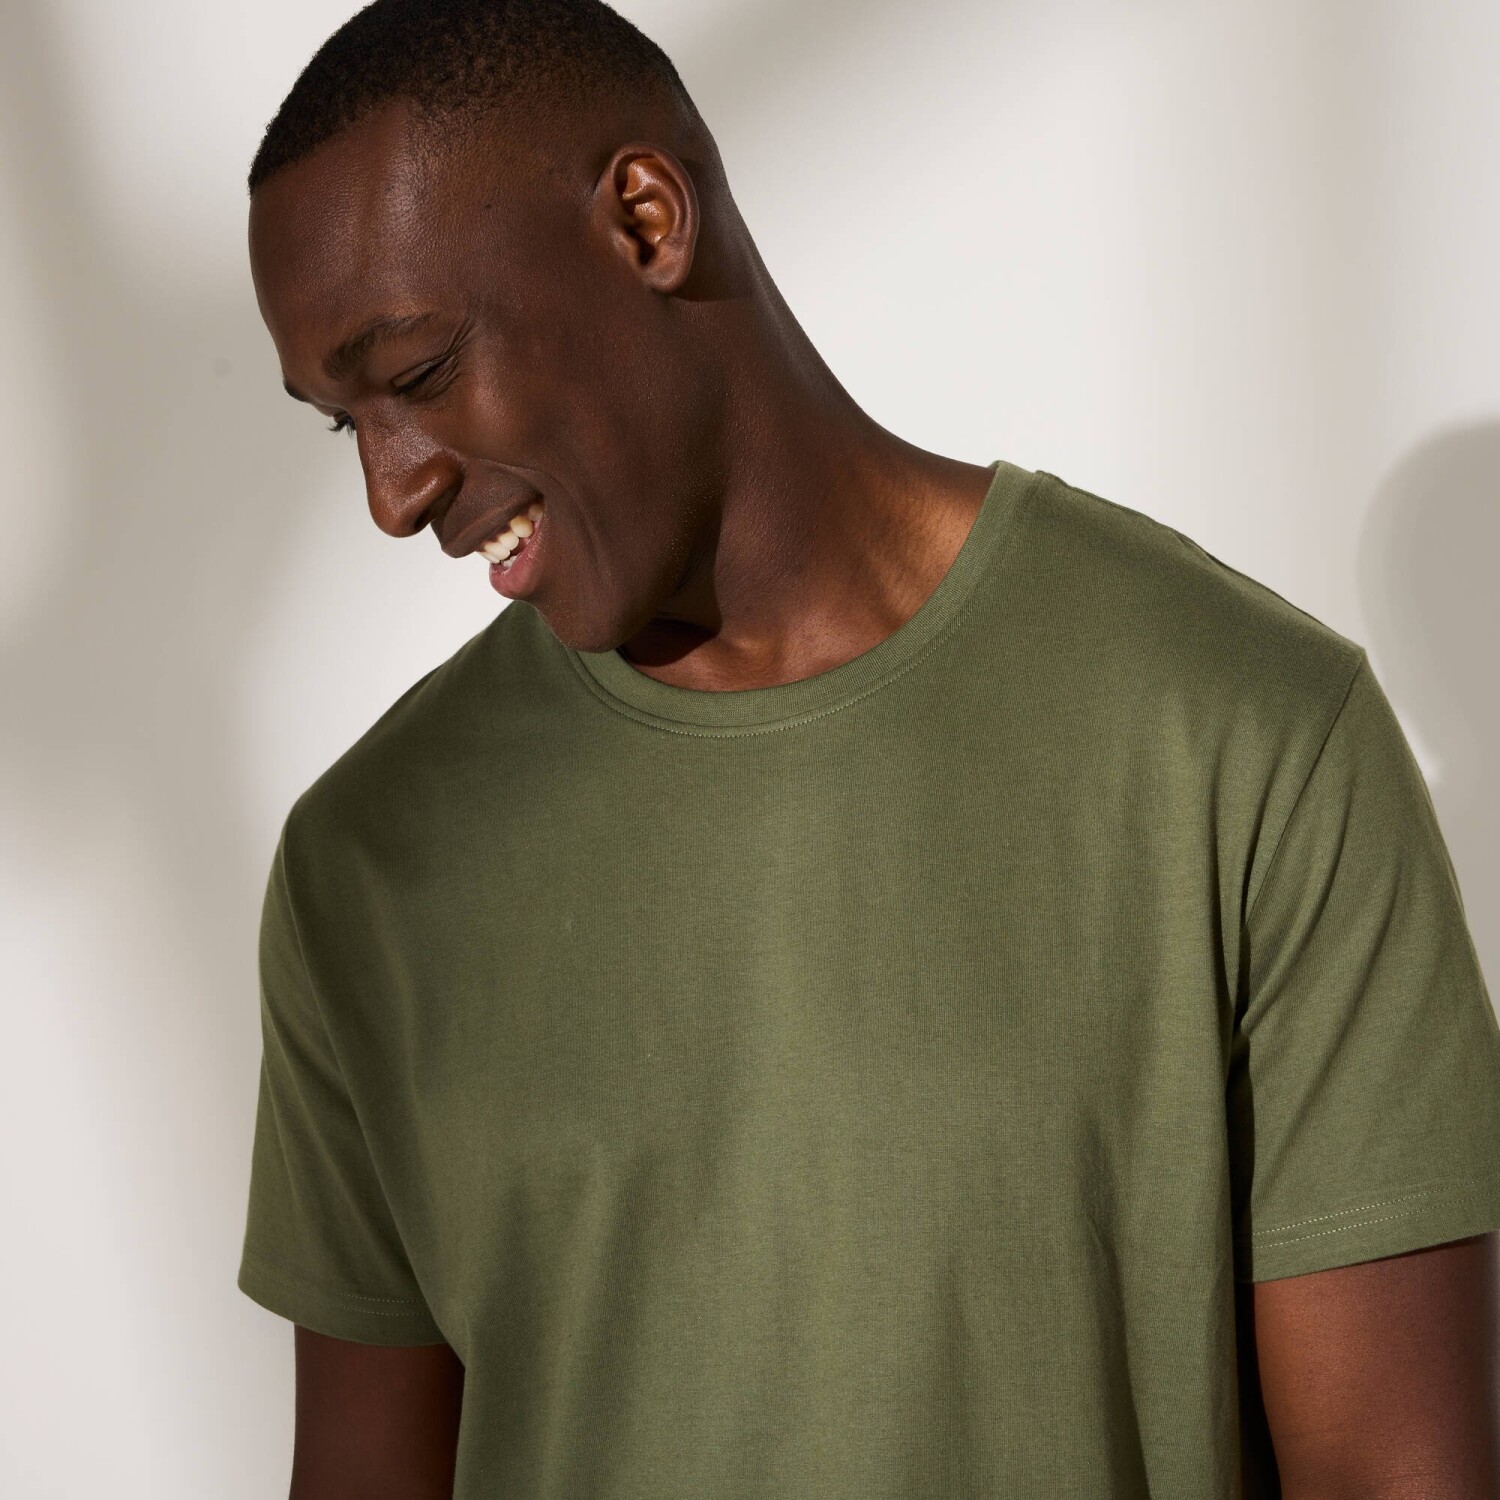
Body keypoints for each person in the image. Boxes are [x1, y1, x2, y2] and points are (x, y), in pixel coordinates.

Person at [235, 1, 1500, 1495]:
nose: (392, 494)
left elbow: (1395, 1472)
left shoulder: (1243, 739)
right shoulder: (369, 866)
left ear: (646, 221)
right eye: (347, 424)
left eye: (420, 371)